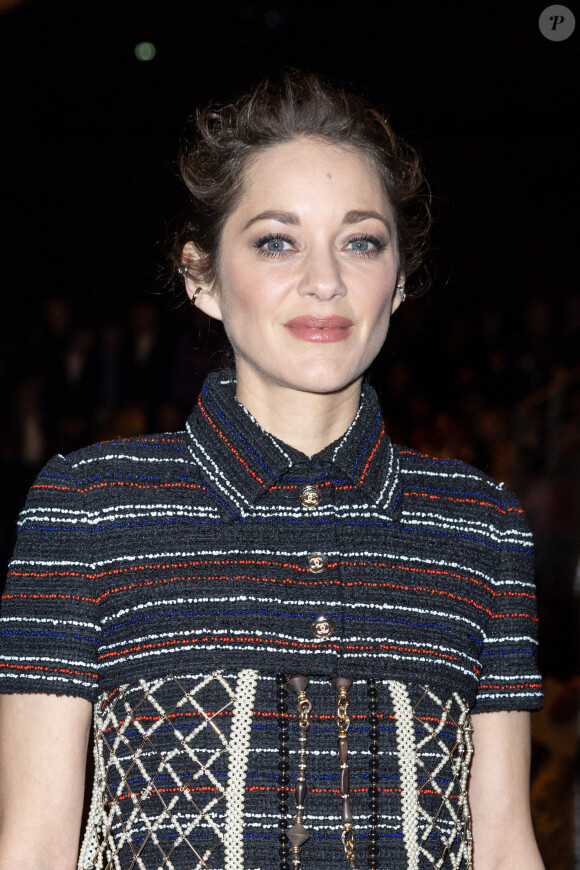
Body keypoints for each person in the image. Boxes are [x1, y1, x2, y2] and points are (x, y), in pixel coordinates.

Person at [0, 73, 544, 870]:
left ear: (399, 280)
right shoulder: (88, 508)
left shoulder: (480, 524)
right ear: (202, 277)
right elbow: (35, 844)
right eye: (276, 241)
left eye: (361, 240)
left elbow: (502, 844)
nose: (324, 280)